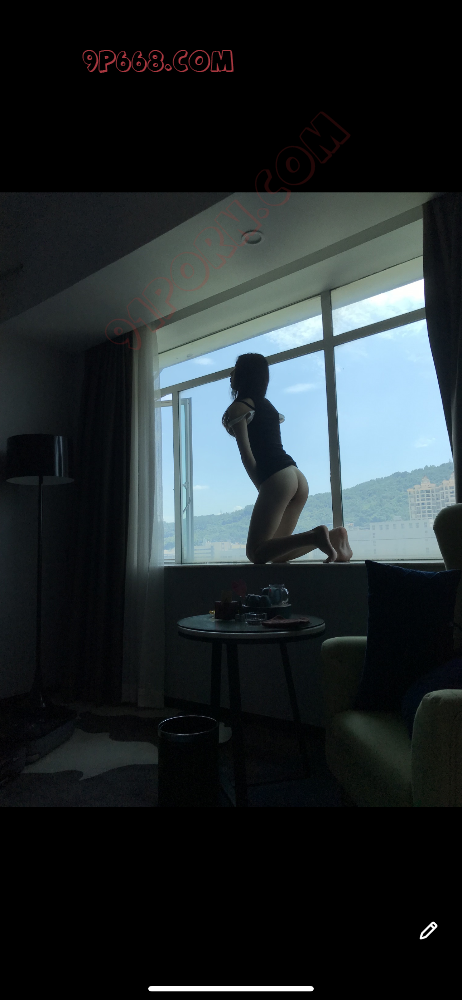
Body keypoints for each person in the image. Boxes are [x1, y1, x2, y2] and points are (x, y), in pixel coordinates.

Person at [222, 353, 353, 565]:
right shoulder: (269, 407)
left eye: (235, 369)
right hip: (296, 476)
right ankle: (333, 537)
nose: (231, 373)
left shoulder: (239, 408)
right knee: (277, 553)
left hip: (277, 478)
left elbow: (247, 456)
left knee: (255, 553)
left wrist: (264, 488)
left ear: (245, 374)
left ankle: (315, 535)